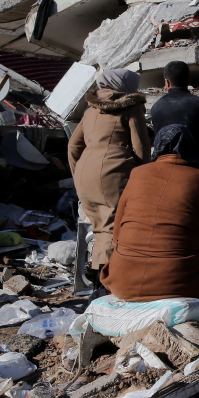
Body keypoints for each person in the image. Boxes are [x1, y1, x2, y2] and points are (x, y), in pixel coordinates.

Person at [101, 125, 199, 324]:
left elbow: (117, 237)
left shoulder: (137, 174)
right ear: (192, 148)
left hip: (123, 282)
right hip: (182, 284)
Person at [68, 69, 150, 272]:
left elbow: (72, 147)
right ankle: (103, 284)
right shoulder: (132, 107)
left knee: (99, 230)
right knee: (113, 229)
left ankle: (96, 278)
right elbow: (141, 148)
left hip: (85, 175)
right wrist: (143, 178)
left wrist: (77, 175)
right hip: (114, 173)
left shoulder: (89, 111)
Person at [149, 61, 199, 162]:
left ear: (167, 82)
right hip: (195, 163)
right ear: (189, 81)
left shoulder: (156, 107)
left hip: (164, 162)